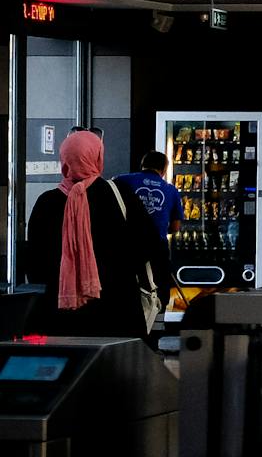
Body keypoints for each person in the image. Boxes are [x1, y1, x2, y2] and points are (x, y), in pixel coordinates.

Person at [26, 129, 173, 337]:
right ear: (98, 157)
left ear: (64, 160)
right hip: (117, 311)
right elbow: (151, 247)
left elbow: (35, 265)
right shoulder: (120, 196)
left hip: (61, 316)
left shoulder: (47, 203)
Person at [110, 149, 179, 238]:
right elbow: (175, 227)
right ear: (164, 169)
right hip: (157, 245)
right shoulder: (171, 190)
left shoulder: (120, 180)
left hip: (127, 243)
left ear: (142, 165)